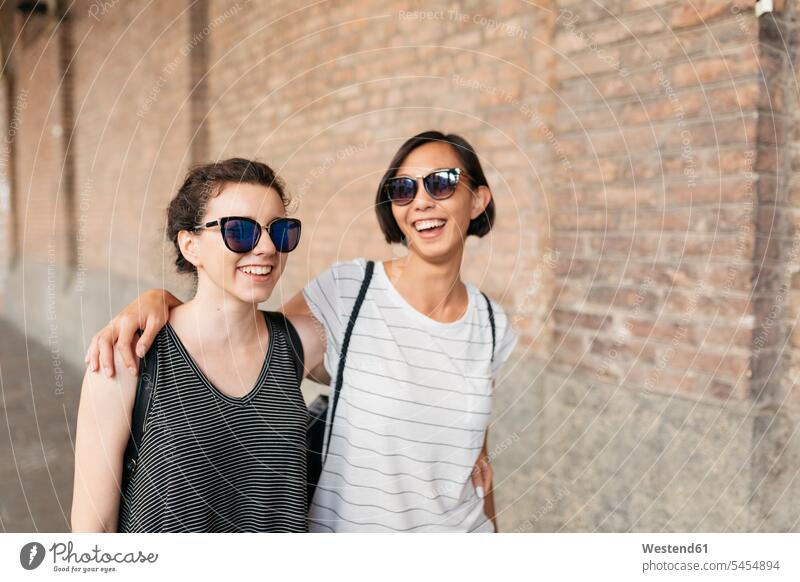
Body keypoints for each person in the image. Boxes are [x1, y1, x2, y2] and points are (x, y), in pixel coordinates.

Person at [86, 131, 517, 532]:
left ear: (478, 200)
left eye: (441, 182)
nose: (266, 247)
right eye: (404, 188)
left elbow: (476, 458)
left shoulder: (493, 324)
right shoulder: (350, 293)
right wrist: (158, 301)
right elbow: (238, 328)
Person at [71, 158, 324, 532]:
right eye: (240, 231)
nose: (268, 247)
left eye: (281, 230)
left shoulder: (298, 342)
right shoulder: (125, 360)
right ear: (190, 246)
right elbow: (94, 534)